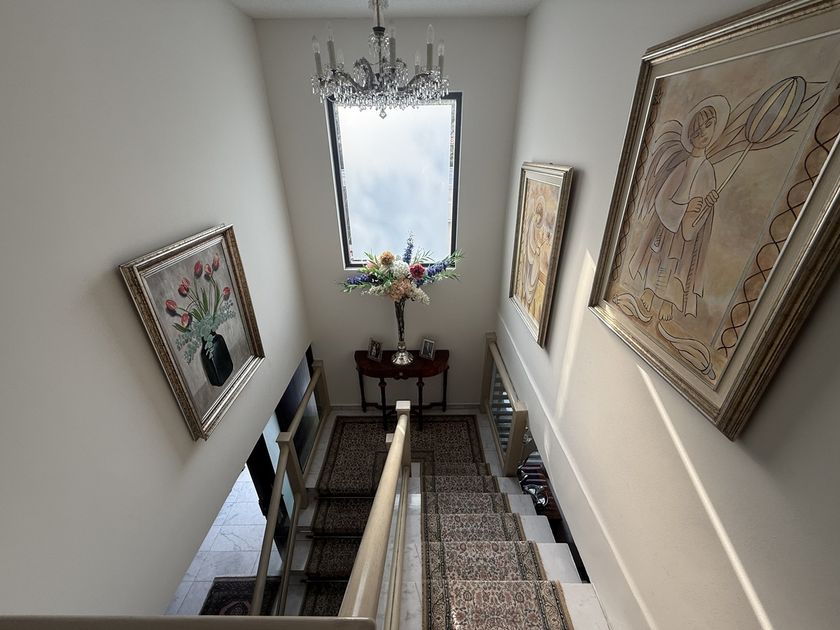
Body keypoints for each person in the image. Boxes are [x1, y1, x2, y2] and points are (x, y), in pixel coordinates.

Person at [627, 97, 725, 321]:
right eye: (698, 129)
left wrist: (707, 204)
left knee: (678, 265)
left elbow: (702, 209)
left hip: (687, 230)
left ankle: (667, 300)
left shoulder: (708, 170)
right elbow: (662, 200)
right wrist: (683, 208)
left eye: (708, 126)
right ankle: (650, 291)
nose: (703, 133)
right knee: (660, 259)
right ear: (690, 135)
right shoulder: (682, 166)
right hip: (669, 225)